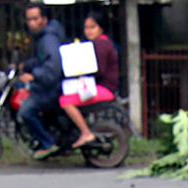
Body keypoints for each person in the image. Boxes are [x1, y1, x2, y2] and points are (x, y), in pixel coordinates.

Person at [58, 12, 120, 149]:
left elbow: (99, 70)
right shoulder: (98, 43)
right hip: (100, 87)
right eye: (87, 28)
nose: (89, 31)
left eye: (93, 27)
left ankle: (86, 133)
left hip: (105, 89)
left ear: (101, 28)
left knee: (65, 101)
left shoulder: (101, 45)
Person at [20, 3, 67, 159]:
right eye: (29, 19)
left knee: (26, 111)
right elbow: (43, 60)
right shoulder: (44, 36)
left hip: (52, 87)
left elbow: (53, 68)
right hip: (49, 84)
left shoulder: (48, 39)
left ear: (44, 19)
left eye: (35, 18)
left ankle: (48, 143)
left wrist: (34, 75)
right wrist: (26, 65)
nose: (32, 22)